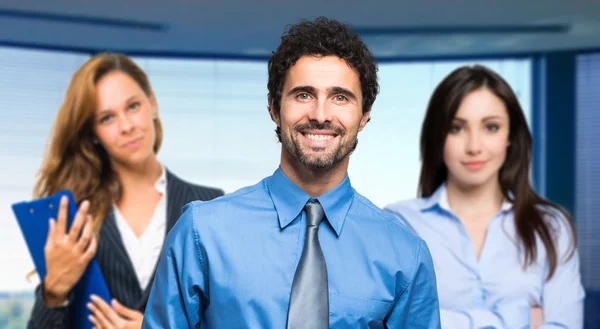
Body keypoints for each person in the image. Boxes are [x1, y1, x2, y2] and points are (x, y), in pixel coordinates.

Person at [142, 17, 441, 329]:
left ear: (364, 115)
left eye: (340, 97)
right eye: (303, 94)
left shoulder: (405, 254)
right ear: (274, 107)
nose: (321, 115)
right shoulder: (201, 233)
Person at [27, 53, 224, 329]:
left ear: (152, 103)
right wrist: (54, 291)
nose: (127, 126)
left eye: (133, 106)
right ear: (93, 132)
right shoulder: (71, 217)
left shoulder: (210, 204)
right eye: (107, 118)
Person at [385, 65, 585, 328]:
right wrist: (521, 317)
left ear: (511, 136)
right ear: (438, 137)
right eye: (456, 128)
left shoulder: (551, 226)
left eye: (491, 127)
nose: (474, 147)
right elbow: (403, 323)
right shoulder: (399, 224)